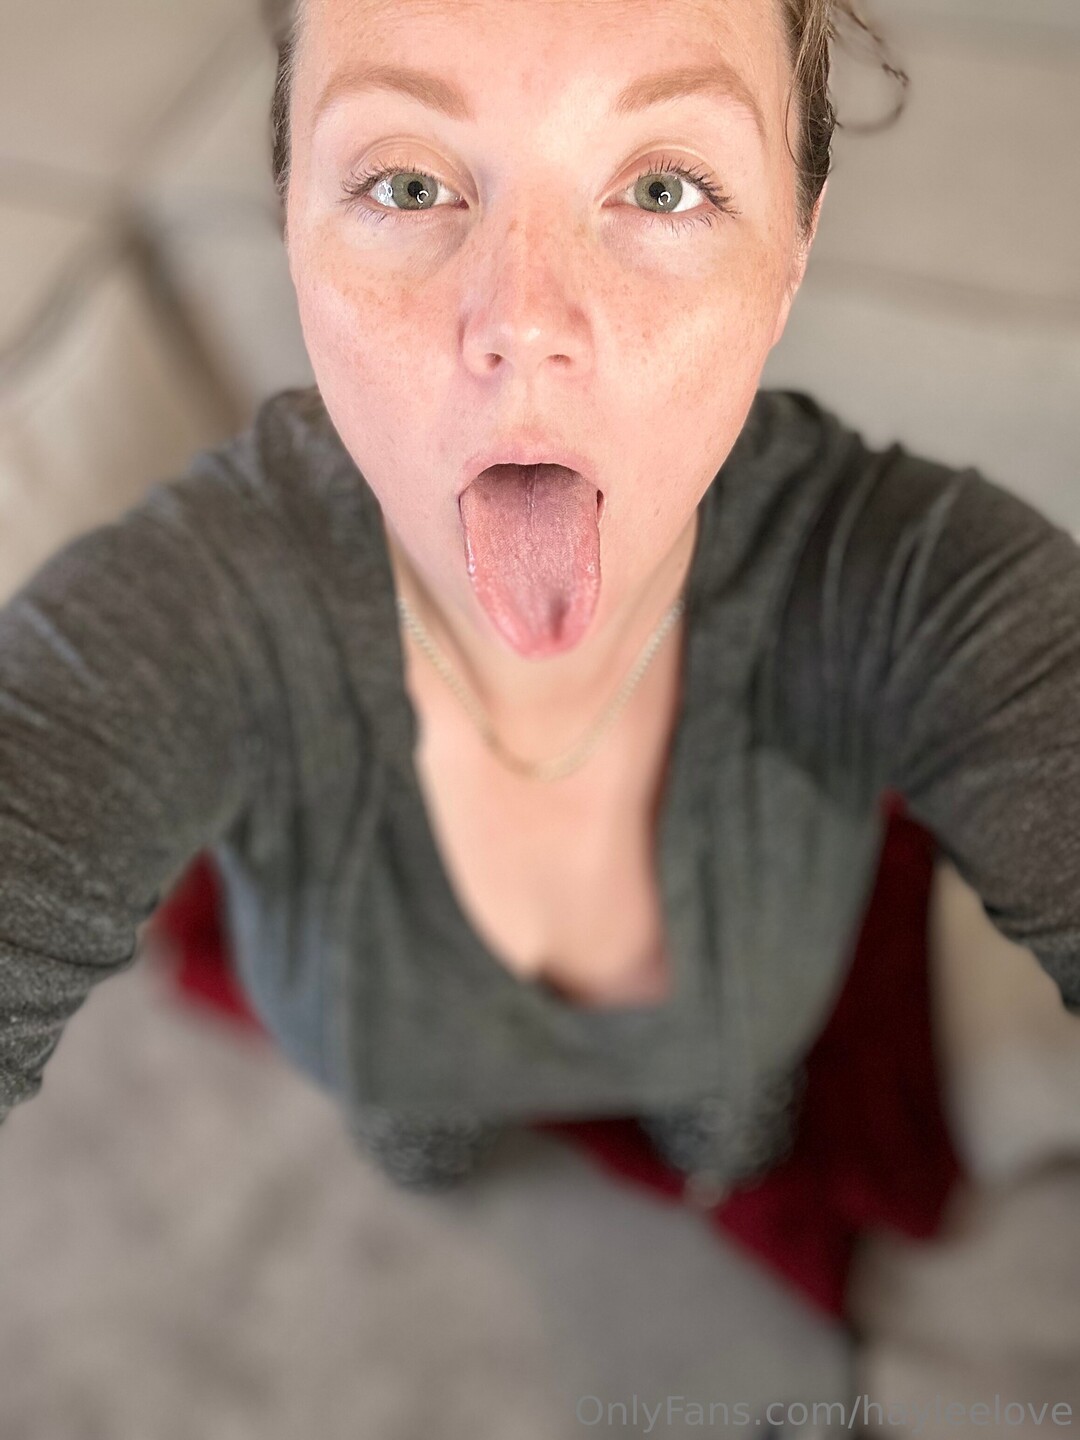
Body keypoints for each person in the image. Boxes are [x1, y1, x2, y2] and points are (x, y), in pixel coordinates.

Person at [1, 0, 1078, 1315]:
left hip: (736, 1053)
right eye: (407, 184)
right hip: (393, 1072)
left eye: (663, 187)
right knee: (417, 1141)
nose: (523, 320)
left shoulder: (903, 586)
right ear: (290, 221)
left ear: (793, 246)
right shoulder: (199, 604)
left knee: (732, 1123)